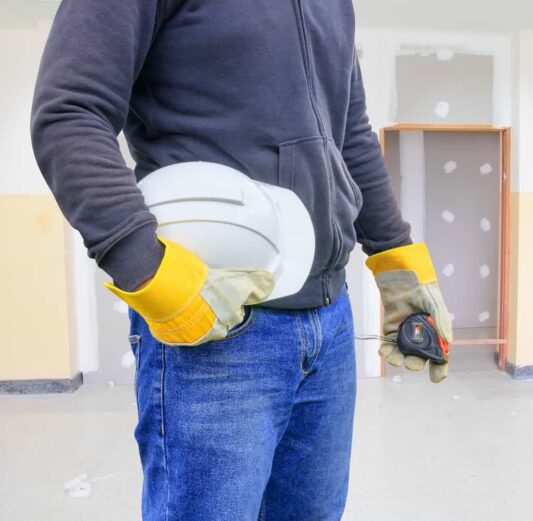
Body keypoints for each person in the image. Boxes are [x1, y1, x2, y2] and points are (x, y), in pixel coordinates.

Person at [30, 1, 452, 520]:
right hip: (216, 327)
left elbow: (351, 136)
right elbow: (70, 112)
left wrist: (397, 262)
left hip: (330, 323)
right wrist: (149, 271)